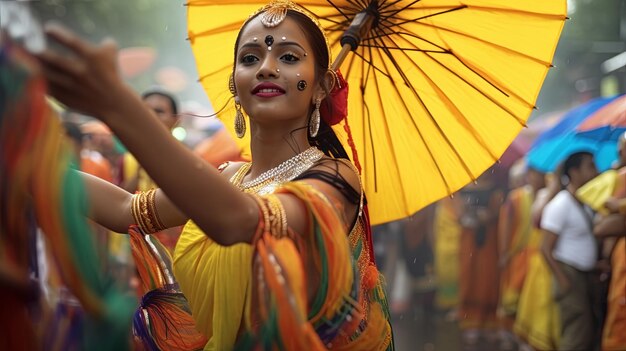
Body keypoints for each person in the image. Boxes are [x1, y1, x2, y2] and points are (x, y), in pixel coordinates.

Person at [36, 1, 394, 350]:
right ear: (234, 85)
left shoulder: (334, 178)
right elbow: (126, 210)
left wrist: (118, 105)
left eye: (288, 57)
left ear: (322, 86)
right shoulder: (230, 178)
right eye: (251, 58)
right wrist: (29, 162)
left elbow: (242, 222)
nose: (266, 68)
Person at [541, 151, 600, 351]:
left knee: (585, 332)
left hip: (581, 276)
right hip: (570, 276)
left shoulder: (584, 203)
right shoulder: (560, 204)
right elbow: (545, 248)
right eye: (590, 166)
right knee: (576, 335)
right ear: (574, 172)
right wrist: (564, 281)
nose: (595, 171)